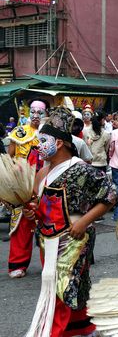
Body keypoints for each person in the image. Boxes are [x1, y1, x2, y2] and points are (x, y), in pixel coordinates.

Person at [24, 106, 117, 337]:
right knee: (64, 286)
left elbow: (111, 194)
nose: (38, 145)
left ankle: (53, 332)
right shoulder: (42, 173)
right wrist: (32, 212)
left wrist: (84, 221)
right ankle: (83, 328)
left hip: (73, 240)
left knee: (63, 287)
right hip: (48, 238)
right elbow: (41, 207)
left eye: (42, 140)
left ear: (57, 143)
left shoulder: (81, 169)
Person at [7, 99, 47, 278]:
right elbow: (9, 157)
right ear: (27, 112)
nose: (36, 115)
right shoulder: (19, 132)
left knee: (47, 223)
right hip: (21, 184)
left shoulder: (49, 134)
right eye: (33, 111)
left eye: (40, 112)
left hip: (44, 184)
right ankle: (18, 264)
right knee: (21, 225)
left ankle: (49, 264)